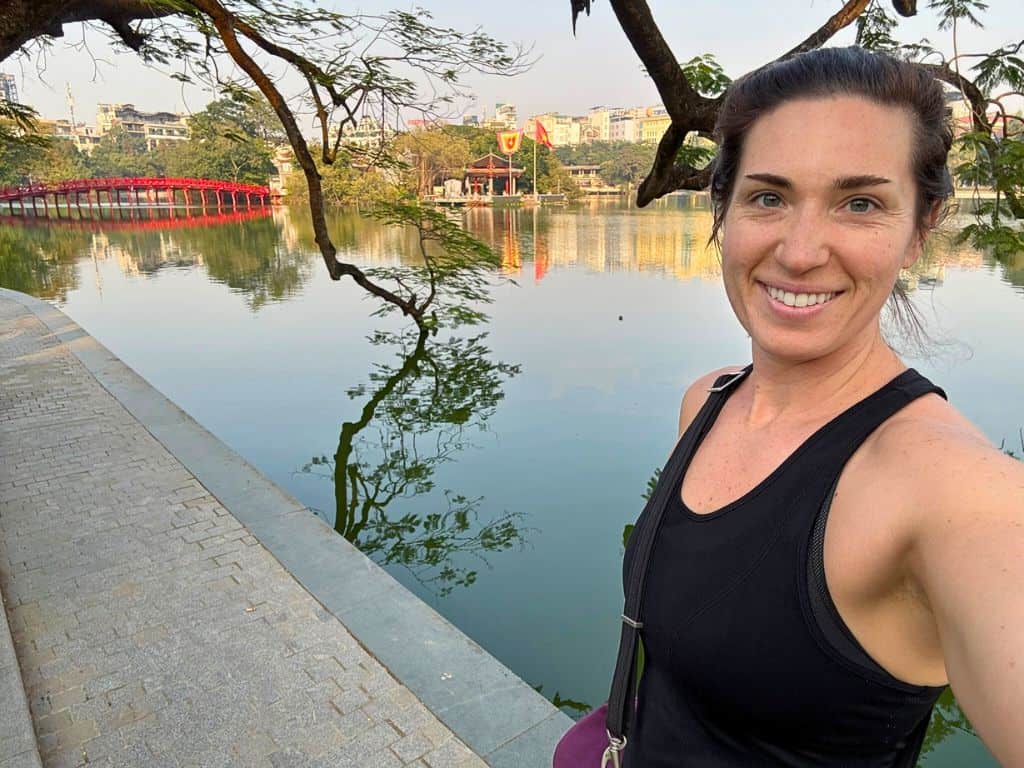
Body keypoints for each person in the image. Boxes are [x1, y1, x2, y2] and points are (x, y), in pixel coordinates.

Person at [621, 46, 1023, 766]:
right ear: (725, 210)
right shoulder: (706, 403)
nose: (800, 252)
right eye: (768, 197)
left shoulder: (951, 490)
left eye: (860, 203)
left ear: (920, 228)